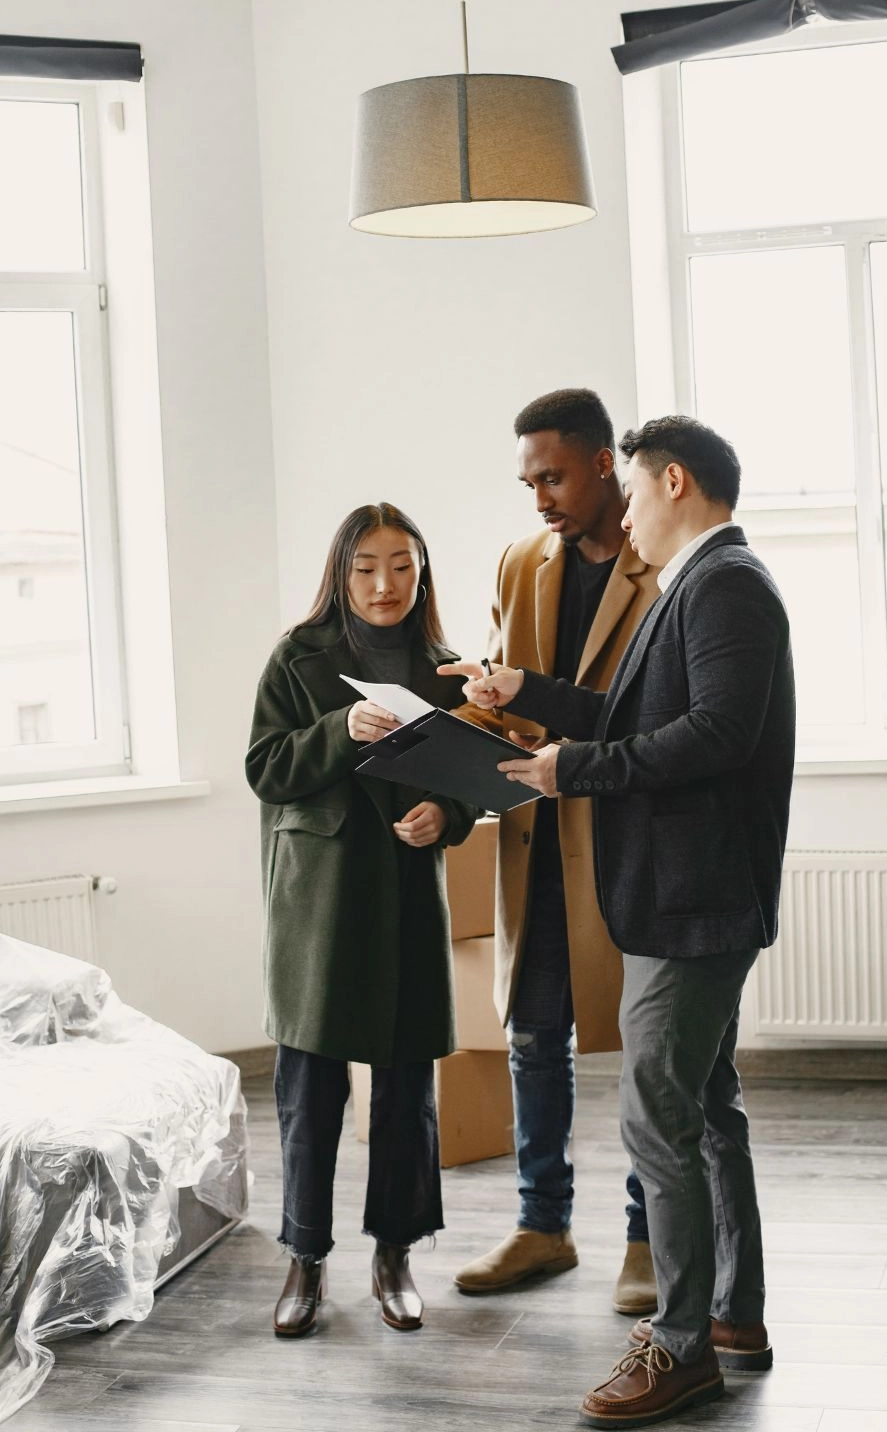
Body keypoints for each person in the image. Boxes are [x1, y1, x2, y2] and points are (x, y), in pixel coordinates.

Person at [443, 416, 795, 1428]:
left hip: (695, 904)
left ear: (673, 481)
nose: (625, 513)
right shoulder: (699, 581)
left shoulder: (723, 582)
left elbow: (715, 736)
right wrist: (528, 693)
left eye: (633, 494)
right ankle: (731, 1317)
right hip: (688, 897)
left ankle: (680, 1347)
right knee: (706, 1106)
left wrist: (574, 772)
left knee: (657, 1113)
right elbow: (639, 713)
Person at [450, 388, 662, 1314]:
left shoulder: (666, 564)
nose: (540, 497)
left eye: (555, 476)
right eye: (529, 480)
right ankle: (544, 1227)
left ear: (606, 462)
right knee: (536, 1037)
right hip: (536, 839)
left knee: (648, 1051)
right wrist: (447, 727)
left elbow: (650, 717)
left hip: (629, 840)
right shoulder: (521, 560)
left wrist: (528, 693)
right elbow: (508, 697)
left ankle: (650, 1236)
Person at [246, 503, 480, 1338]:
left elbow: (467, 785)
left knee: (408, 1087)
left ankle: (396, 1254)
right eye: (367, 568)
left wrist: (444, 819)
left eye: (403, 566)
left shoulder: (449, 668)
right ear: (341, 573)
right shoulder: (299, 657)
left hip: (409, 900)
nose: (386, 585)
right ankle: (304, 1259)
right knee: (309, 1090)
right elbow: (266, 769)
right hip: (319, 903)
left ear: (423, 572)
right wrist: (340, 728)